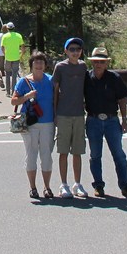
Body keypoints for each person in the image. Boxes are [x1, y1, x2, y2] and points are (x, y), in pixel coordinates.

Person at [84, 46, 127, 198]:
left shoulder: (114, 78)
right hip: (93, 120)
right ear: (92, 63)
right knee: (95, 155)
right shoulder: (86, 77)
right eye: (96, 61)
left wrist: (124, 120)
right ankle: (98, 185)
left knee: (118, 154)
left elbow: (122, 99)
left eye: (102, 61)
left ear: (106, 63)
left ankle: (125, 185)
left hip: (112, 120)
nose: (98, 64)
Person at [13, 51, 56, 200]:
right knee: (31, 155)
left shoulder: (51, 80)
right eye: (36, 63)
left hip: (48, 123)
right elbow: (14, 101)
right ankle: (33, 187)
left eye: (41, 63)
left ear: (45, 65)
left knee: (46, 156)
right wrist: (27, 96)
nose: (38, 65)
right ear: (31, 65)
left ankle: (47, 187)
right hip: (30, 124)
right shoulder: (23, 82)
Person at [52, 37, 89, 199]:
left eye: (78, 49)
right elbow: (55, 91)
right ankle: (63, 184)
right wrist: (54, 113)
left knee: (78, 151)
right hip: (63, 113)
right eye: (72, 49)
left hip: (79, 114)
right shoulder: (60, 67)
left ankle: (77, 183)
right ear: (66, 51)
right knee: (63, 151)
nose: (75, 52)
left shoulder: (83, 67)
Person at [1, 23, 25, 96]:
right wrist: (21, 55)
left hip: (8, 58)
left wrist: (5, 54)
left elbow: (2, 47)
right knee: (14, 74)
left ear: (7, 28)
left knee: (7, 74)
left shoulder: (4, 36)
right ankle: (14, 91)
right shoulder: (18, 35)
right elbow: (23, 47)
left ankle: (8, 92)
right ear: (14, 28)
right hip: (16, 57)